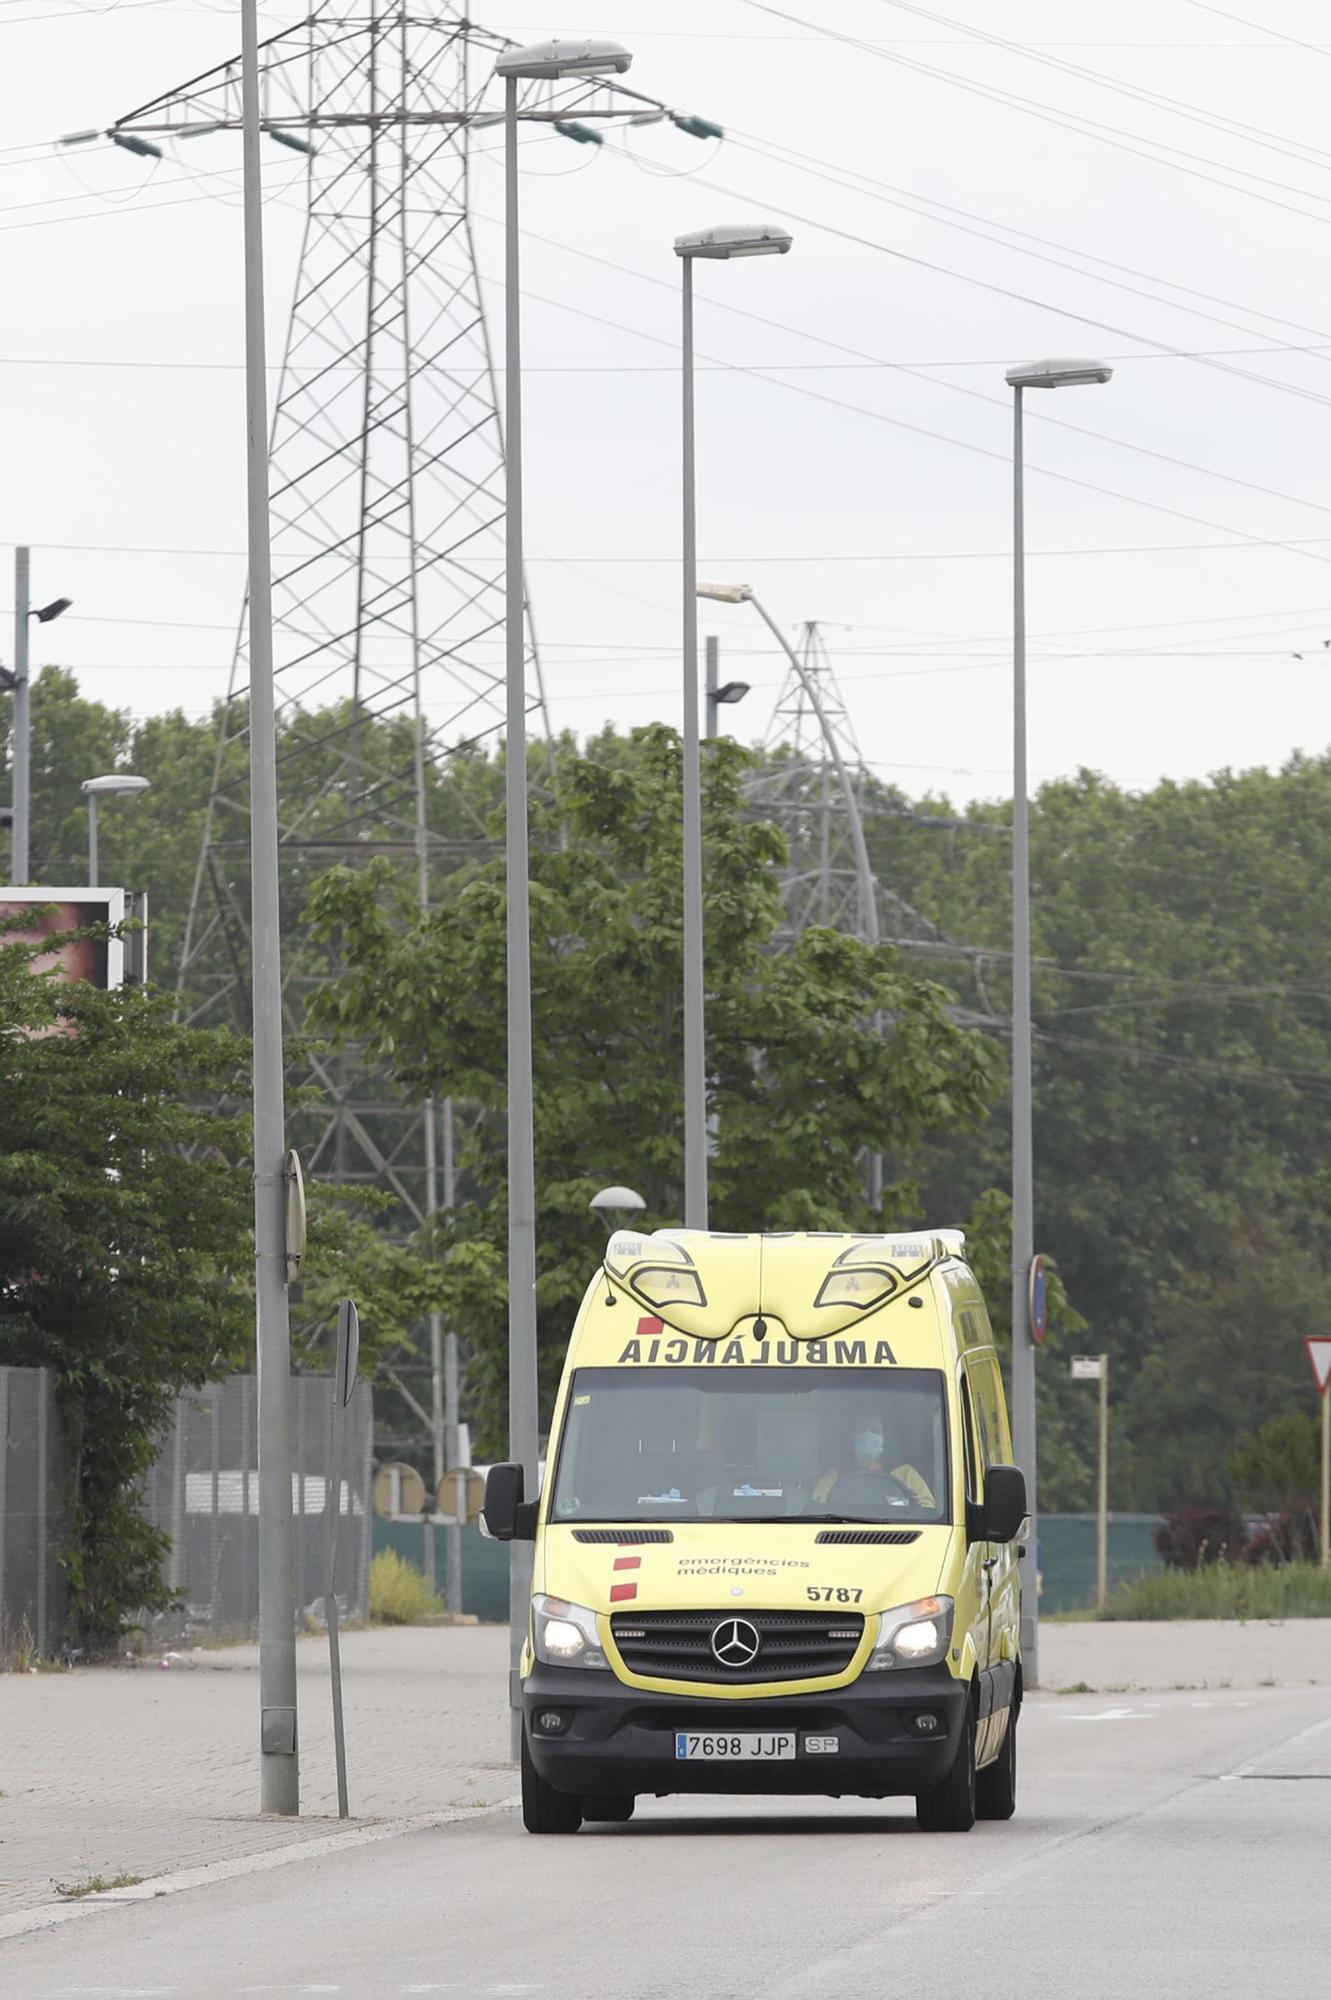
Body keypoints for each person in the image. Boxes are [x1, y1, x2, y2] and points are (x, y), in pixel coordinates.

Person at [812, 1406, 935, 1510]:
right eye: (861, 1430)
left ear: (884, 1437)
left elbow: (927, 1509)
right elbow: (816, 1508)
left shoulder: (905, 1474)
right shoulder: (834, 1476)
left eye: (875, 1431)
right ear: (851, 1437)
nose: (868, 1435)